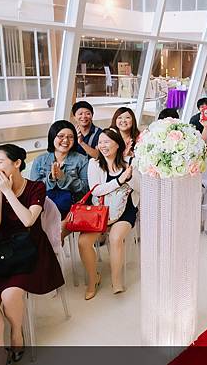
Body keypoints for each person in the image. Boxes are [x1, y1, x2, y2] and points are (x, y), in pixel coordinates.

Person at [0, 144, 64, 365]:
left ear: (16, 163)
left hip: (30, 250)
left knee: (10, 295)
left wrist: (8, 191)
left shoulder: (36, 187)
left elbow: (28, 220)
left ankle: (17, 333)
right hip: (1, 253)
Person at [80, 128, 139, 300]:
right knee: (83, 242)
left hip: (126, 210)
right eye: (100, 142)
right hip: (101, 211)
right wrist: (120, 180)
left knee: (115, 238)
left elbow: (140, 188)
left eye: (107, 142)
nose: (103, 145)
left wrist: (130, 175)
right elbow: (96, 190)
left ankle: (116, 280)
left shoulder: (130, 162)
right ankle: (93, 279)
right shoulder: (94, 164)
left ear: (117, 144)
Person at [31, 121, 89, 239]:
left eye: (70, 137)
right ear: (53, 137)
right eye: (61, 136)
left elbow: (86, 188)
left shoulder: (82, 160)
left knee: (54, 233)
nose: (66, 140)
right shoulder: (40, 160)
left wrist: (64, 178)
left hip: (72, 209)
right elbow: (33, 189)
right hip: (44, 208)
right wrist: (51, 179)